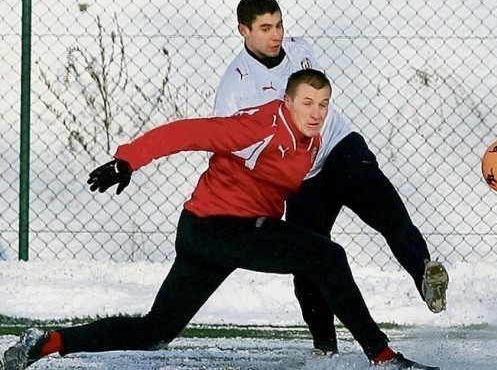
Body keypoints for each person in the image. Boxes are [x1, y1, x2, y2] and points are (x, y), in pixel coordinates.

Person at [1, 70, 439, 370]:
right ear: (286, 102)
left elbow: (304, 186)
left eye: (324, 104)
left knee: (156, 331)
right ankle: (382, 355)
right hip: (220, 227)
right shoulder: (260, 127)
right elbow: (188, 132)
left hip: (210, 233)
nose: (316, 111)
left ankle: (49, 342)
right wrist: (127, 161)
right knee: (326, 256)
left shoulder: (312, 139)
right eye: (307, 102)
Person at [213, 0, 449, 356]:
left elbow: (318, 105)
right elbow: (234, 149)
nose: (275, 35)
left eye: (278, 25)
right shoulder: (235, 87)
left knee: (389, 211)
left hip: (340, 148)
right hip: (302, 178)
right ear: (243, 30)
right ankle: (325, 351)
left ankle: (425, 273)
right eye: (264, 28)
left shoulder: (301, 50)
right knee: (309, 263)